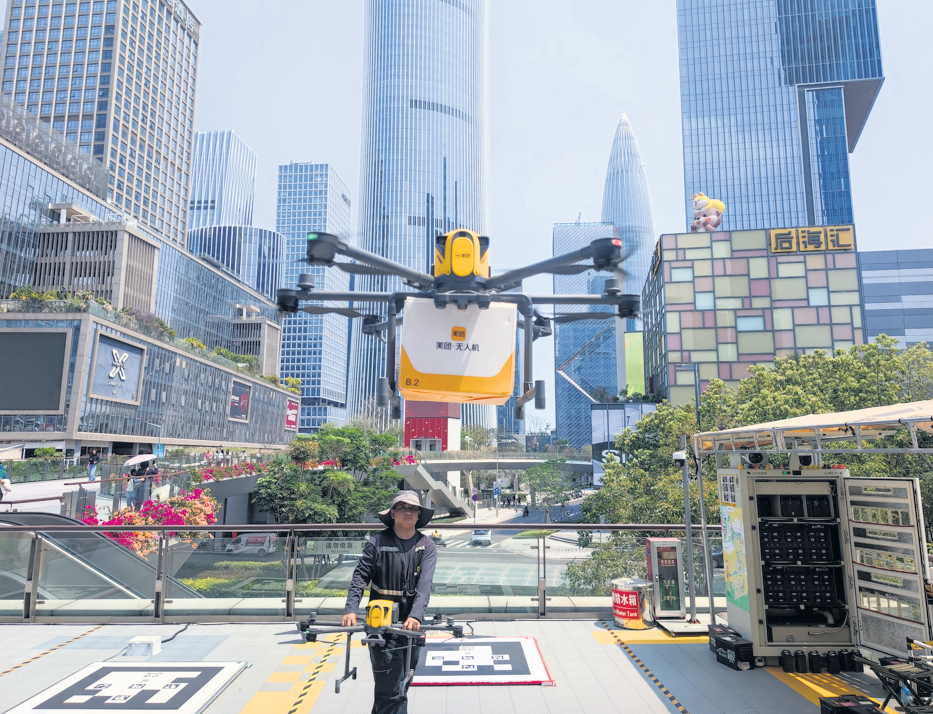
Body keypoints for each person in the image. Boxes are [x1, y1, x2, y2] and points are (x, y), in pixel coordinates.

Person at [342, 491, 437, 714]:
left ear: (418, 515)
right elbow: (360, 577)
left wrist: (415, 616)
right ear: (393, 513)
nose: (408, 511)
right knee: (391, 692)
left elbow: (425, 585)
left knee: (400, 685)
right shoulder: (377, 543)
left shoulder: (426, 546)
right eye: (402, 507)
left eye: (413, 508)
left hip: (412, 627)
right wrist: (351, 609)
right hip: (381, 627)